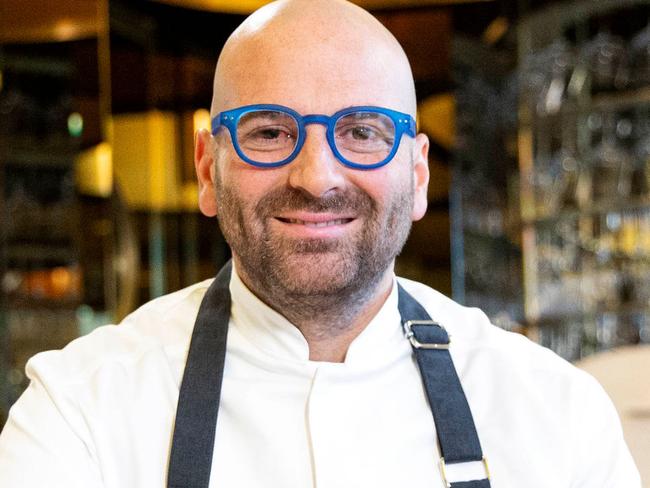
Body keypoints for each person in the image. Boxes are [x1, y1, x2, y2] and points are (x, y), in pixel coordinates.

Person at [0, 0, 641, 486]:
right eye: (270, 132)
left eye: (363, 131)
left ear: (417, 175)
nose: (316, 178)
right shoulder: (80, 408)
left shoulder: (555, 412)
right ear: (206, 169)